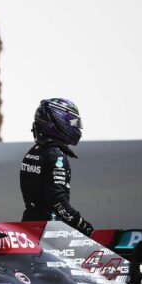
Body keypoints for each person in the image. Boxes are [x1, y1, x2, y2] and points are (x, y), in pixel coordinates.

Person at [20, 98, 93, 236]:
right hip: (50, 231)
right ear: (58, 121)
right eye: (73, 122)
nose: (77, 128)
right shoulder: (56, 156)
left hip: (29, 225)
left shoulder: (34, 151)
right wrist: (83, 225)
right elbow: (57, 201)